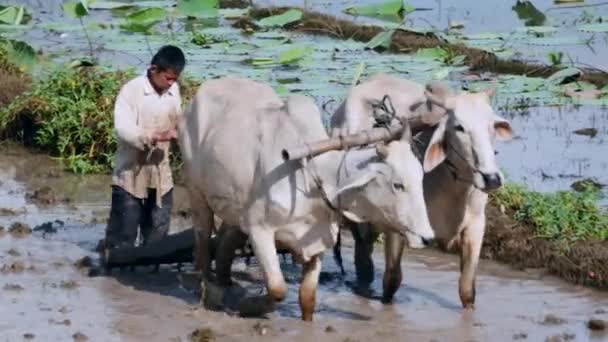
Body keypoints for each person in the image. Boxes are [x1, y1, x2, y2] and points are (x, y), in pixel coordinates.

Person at [102, 45, 186, 251]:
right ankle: (114, 273)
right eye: (167, 78)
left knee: (157, 237)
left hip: (161, 175)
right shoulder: (132, 91)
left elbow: (178, 120)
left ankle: (150, 273)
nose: (171, 83)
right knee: (123, 237)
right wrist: (155, 136)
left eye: (175, 79)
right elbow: (123, 129)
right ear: (153, 69)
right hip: (131, 172)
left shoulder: (173, 91)